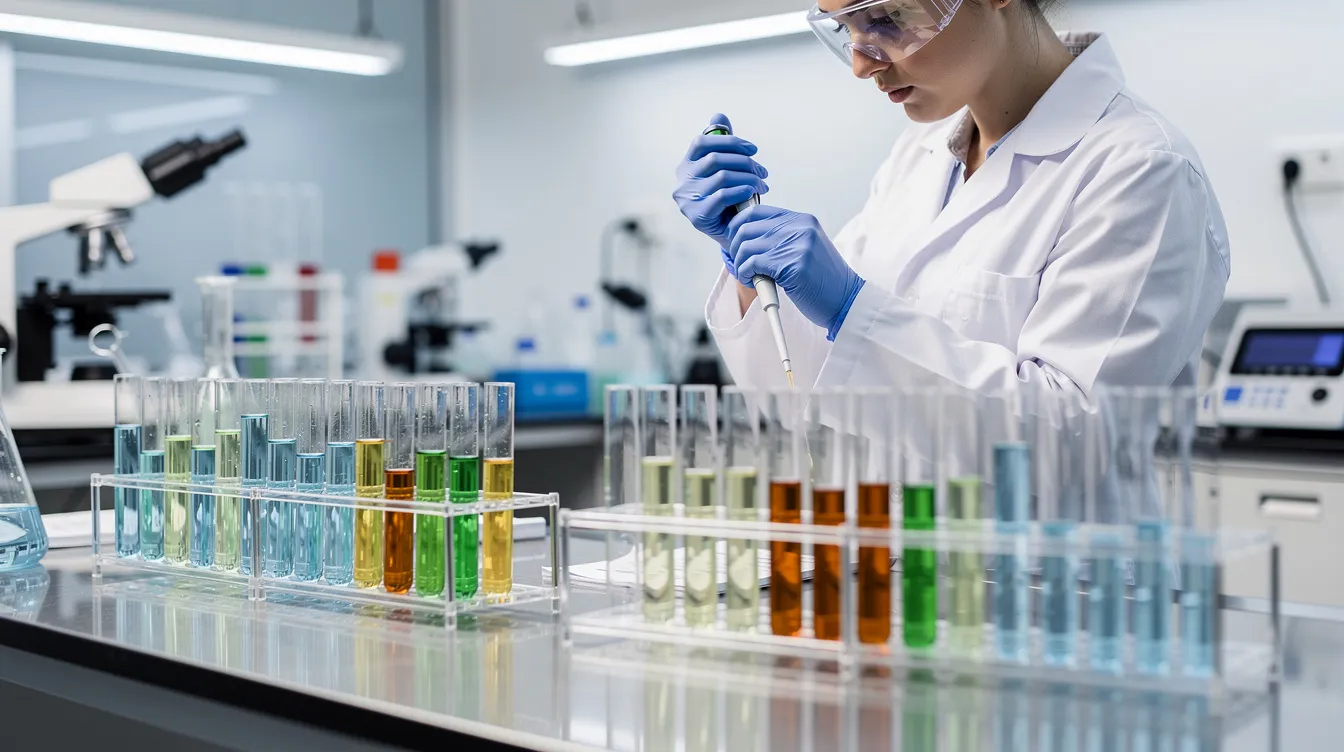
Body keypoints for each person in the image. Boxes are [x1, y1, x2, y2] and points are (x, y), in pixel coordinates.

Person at [674, 0, 1230, 399]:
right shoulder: (918, 156)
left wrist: (852, 309)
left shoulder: (1139, 169)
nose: (861, 63)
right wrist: (753, 271)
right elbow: (812, 390)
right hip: (899, 555)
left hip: (1038, 563)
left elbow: (1072, 437)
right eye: (845, 30)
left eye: (886, 20)